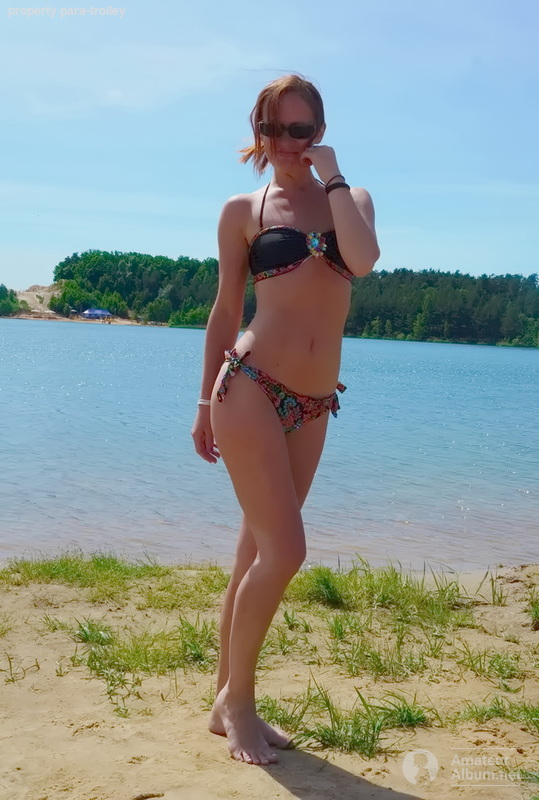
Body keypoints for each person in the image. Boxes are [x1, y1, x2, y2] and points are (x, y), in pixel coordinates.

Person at [191, 73, 380, 766]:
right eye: (272, 129)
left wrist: (333, 179)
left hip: (313, 402)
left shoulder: (350, 200)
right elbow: (224, 310)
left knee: (256, 551)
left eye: (300, 130)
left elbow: (362, 260)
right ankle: (239, 704)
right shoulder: (243, 210)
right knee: (285, 551)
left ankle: (224, 699)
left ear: (319, 133)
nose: (285, 142)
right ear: (258, 134)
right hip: (249, 387)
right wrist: (202, 404)